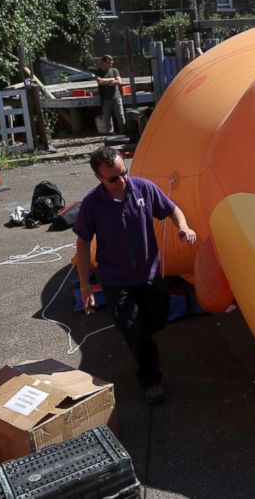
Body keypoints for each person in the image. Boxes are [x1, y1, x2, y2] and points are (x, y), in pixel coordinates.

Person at [74, 146, 197, 403]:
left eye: (124, 173)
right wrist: (86, 286)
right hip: (116, 281)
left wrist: (183, 227)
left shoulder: (143, 188)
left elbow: (172, 209)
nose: (122, 181)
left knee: (158, 319)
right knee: (136, 331)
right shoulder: (92, 204)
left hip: (149, 274)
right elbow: (83, 244)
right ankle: (152, 381)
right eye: (113, 178)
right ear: (99, 178)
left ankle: (142, 339)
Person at [95, 55, 125, 134]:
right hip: (105, 98)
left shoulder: (114, 70)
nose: (110, 64)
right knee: (107, 117)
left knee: (120, 116)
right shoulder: (98, 71)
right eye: (108, 63)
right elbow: (99, 82)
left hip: (116, 97)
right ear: (103, 63)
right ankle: (110, 134)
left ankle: (123, 132)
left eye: (111, 63)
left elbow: (119, 82)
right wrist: (111, 79)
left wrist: (105, 81)